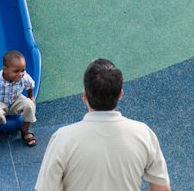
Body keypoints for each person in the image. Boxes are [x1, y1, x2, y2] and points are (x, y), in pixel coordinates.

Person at [35, 58, 171, 191]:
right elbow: (162, 188)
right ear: (120, 94)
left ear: (84, 96)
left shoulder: (63, 138)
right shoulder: (144, 134)